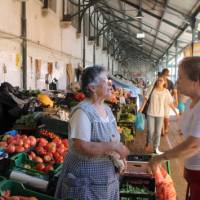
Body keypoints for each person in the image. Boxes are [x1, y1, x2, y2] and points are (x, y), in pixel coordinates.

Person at [55, 65, 129, 200]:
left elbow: (113, 137)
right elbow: (82, 146)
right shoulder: (82, 112)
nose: (110, 85)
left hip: (107, 177)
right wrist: (114, 147)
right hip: (86, 180)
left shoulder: (107, 110)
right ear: (92, 88)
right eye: (106, 81)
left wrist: (119, 158)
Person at [149, 57, 200, 200]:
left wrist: (161, 158)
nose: (177, 81)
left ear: (195, 81)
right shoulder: (191, 103)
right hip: (193, 174)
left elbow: (194, 145)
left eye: (181, 77)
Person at [139, 74, 178, 154]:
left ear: (164, 82)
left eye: (161, 80)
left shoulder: (166, 91)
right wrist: (142, 107)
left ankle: (155, 148)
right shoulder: (152, 88)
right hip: (150, 113)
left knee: (158, 132)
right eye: (158, 80)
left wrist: (175, 111)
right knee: (150, 131)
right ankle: (148, 143)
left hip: (160, 114)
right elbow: (146, 98)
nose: (159, 81)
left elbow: (170, 103)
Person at [161, 68, 178, 135]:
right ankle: (163, 129)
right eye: (165, 74)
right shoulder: (158, 80)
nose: (166, 76)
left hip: (167, 101)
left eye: (167, 75)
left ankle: (165, 128)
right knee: (161, 116)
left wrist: (176, 100)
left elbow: (174, 91)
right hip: (160, 100)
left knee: (166, 116)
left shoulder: (170, 82)